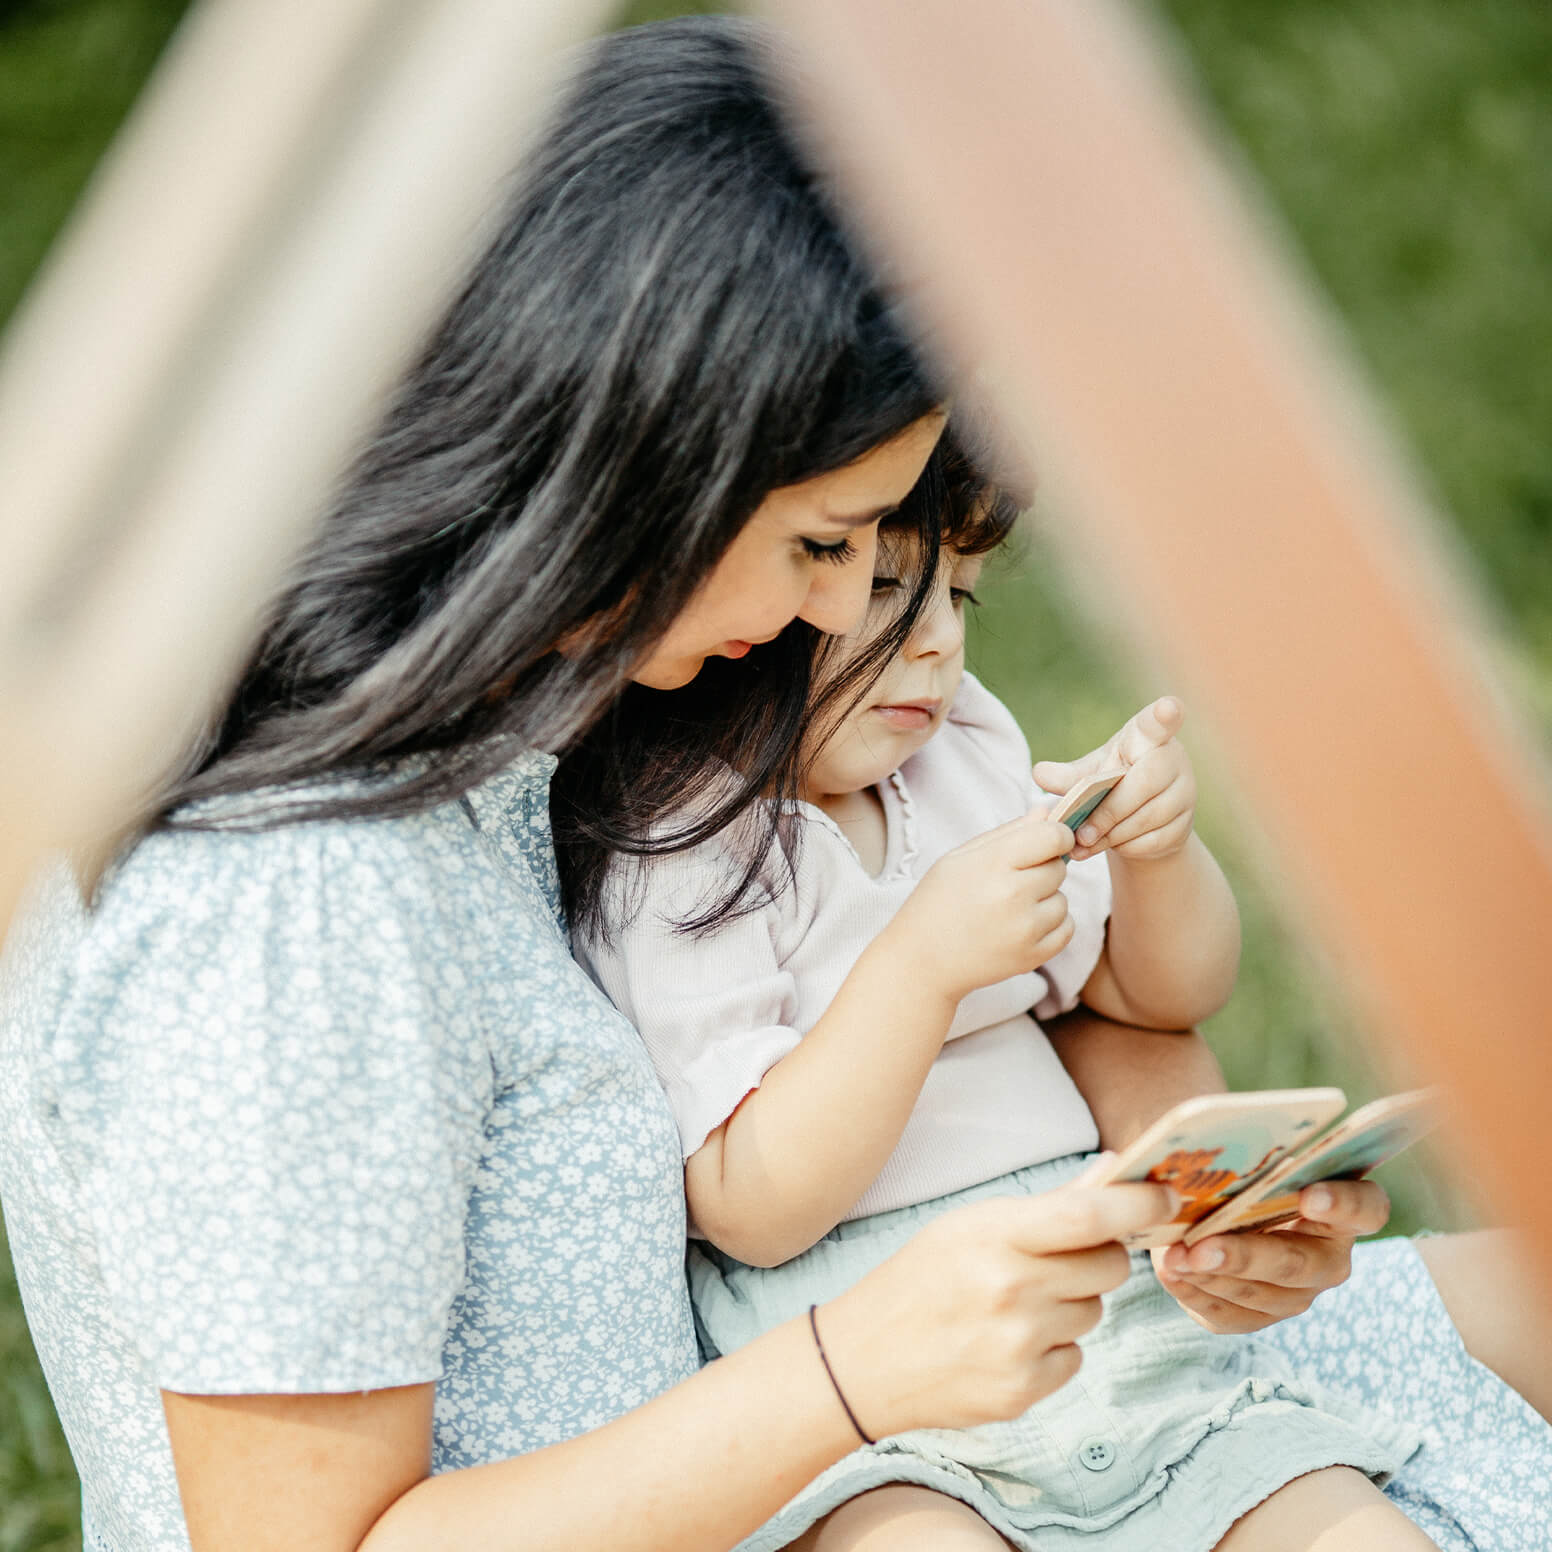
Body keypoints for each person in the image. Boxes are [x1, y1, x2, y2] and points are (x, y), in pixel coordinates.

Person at [0, 16, 1539, 1552]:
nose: (847, 612)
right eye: (823, 544)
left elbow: (1065, 1011)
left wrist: (1203, 1203)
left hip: (1011, 1383)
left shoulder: (590, 689)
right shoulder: (292, 911)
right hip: (847, 1475)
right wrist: (852, 1376)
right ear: (646, 459)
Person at [573, 439, 1438, 1551]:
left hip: (1126, 1339)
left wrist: (1157, 858)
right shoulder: (683, 843)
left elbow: (1148, 995)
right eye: (885, 585)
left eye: (961, 594)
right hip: (880, 1408)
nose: (938, 638)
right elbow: (753, 1205)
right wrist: (921, 966)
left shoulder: (958, 761)